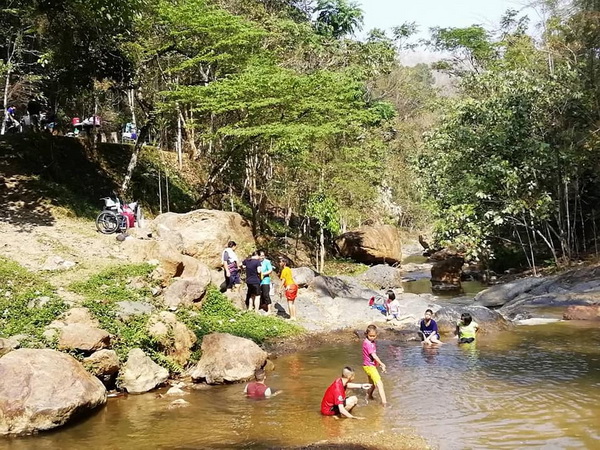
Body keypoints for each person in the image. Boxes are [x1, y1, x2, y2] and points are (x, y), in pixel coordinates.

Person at [362, 324, 387, 406]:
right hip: (369, 367)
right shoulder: (368, 343)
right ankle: (384, 403)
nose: (372, 337)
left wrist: (377, 364)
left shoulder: (371, 342)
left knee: (372, 385)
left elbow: (371, 356)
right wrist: (381, 363)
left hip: (368, 366)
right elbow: (373, 355)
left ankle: (368, 396)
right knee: (380, 384)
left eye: (374, 336)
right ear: (366, 334)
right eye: (370, 336)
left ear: (376, 335)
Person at [259, 250, 274, 314]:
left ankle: (269, 310)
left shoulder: (267, 262)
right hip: (258, 281)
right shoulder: (257, 262)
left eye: (263, 256)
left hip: (265, 280)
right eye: (261, 255)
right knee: (260, 294)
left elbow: (270, 270)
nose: (262, 257)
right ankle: (262, 306)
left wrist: (263, 274)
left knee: (266, 294)